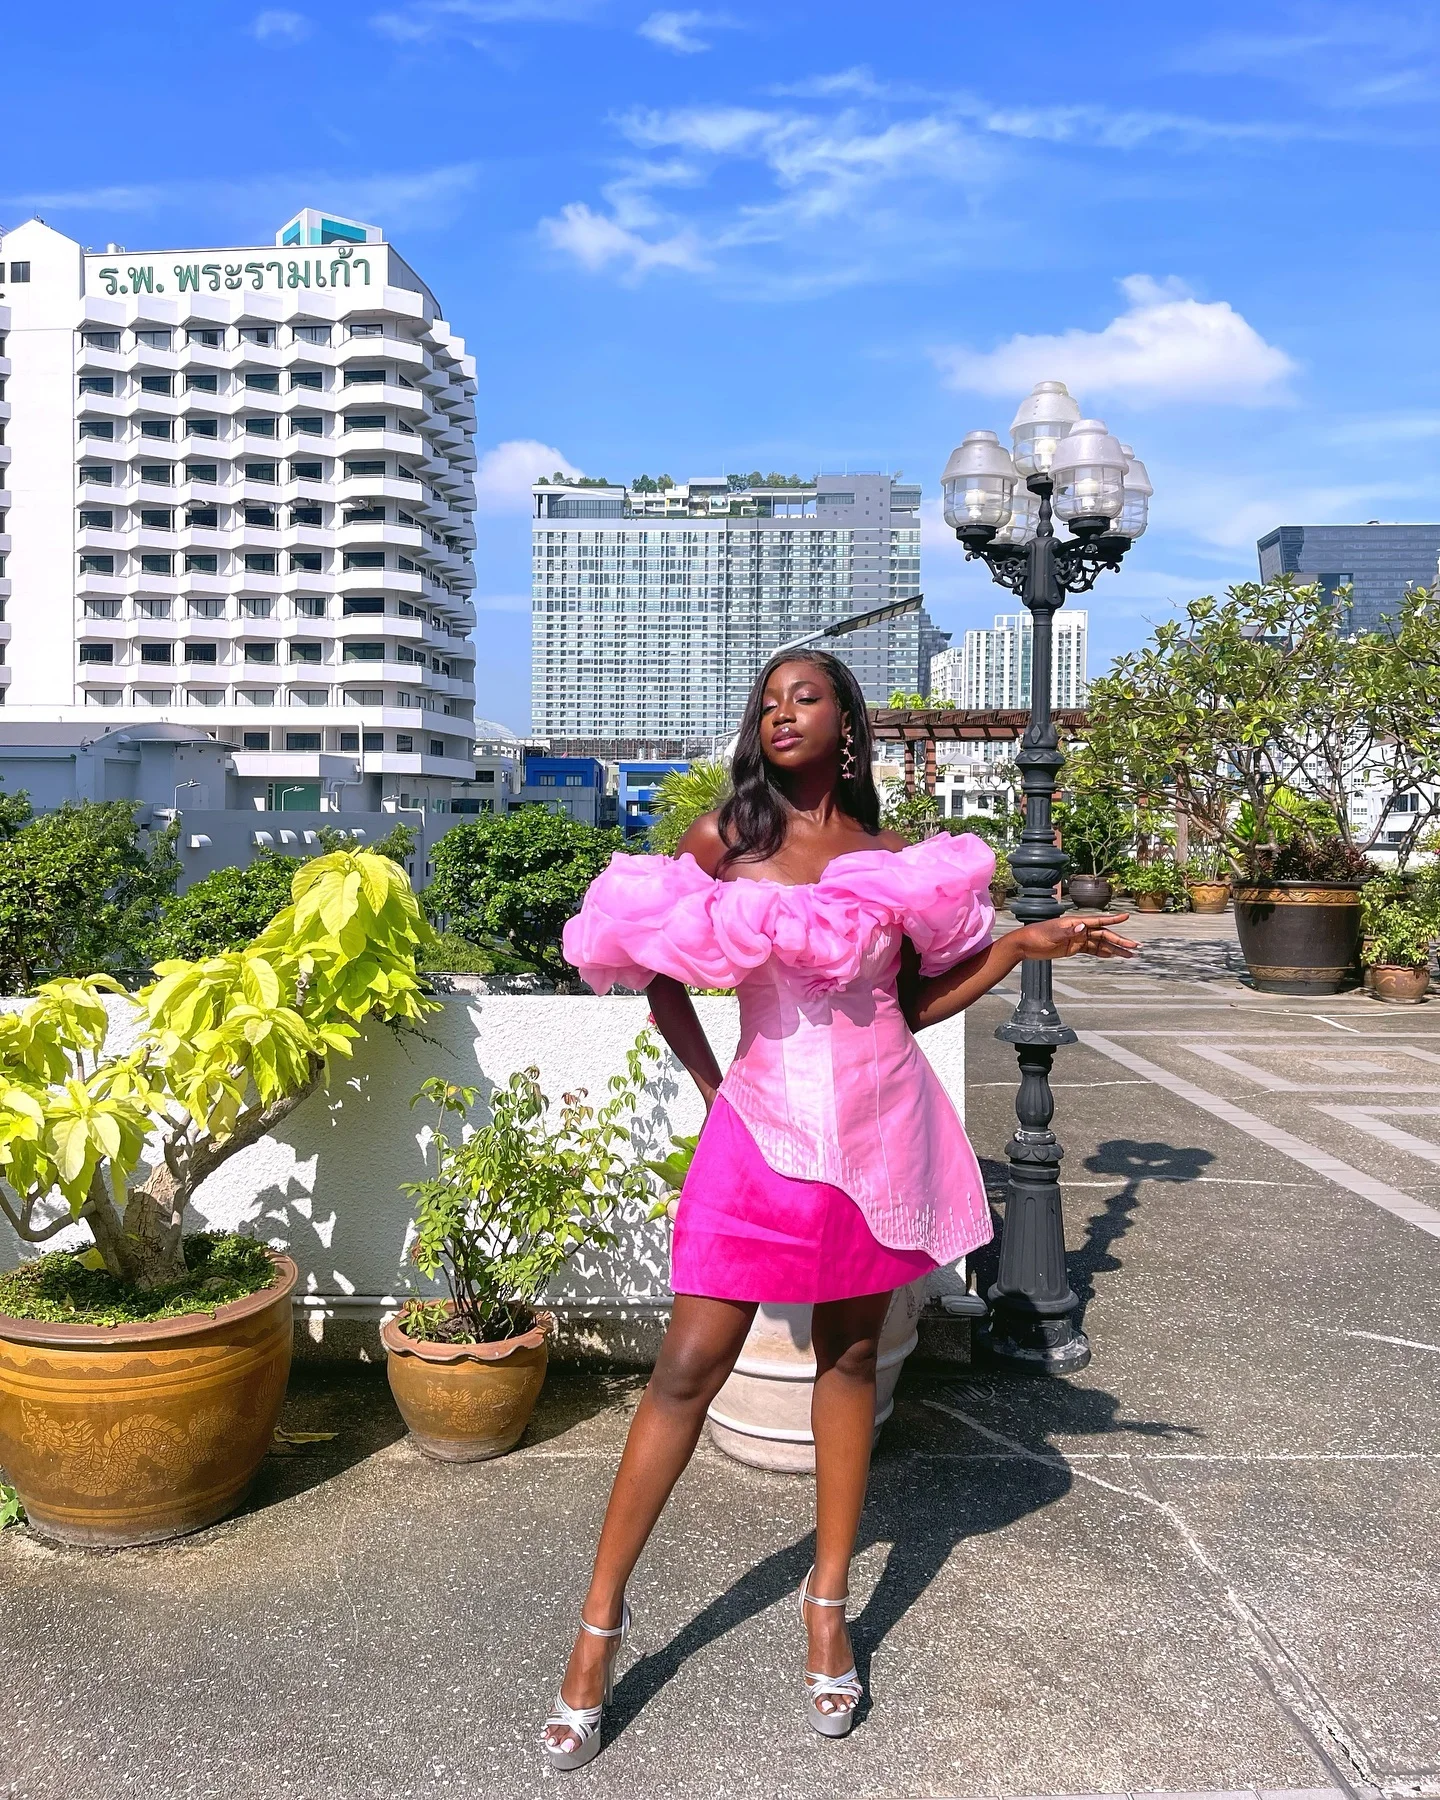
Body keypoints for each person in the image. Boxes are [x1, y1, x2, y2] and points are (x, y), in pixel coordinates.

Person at [541, 650, 1138, 1768]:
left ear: (850, 725)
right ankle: (595, 1634)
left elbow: (907, 1006)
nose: (779, 714)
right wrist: (717, 1087)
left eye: (802, 698)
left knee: (851, 1366)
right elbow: (653, 963)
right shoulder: (729, 841)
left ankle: (827, 1608)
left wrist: (1017, 944)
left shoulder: (890, 862)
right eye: (765, 702)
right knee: (683, 1370)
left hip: (879, 1135)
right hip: (758, 1144)